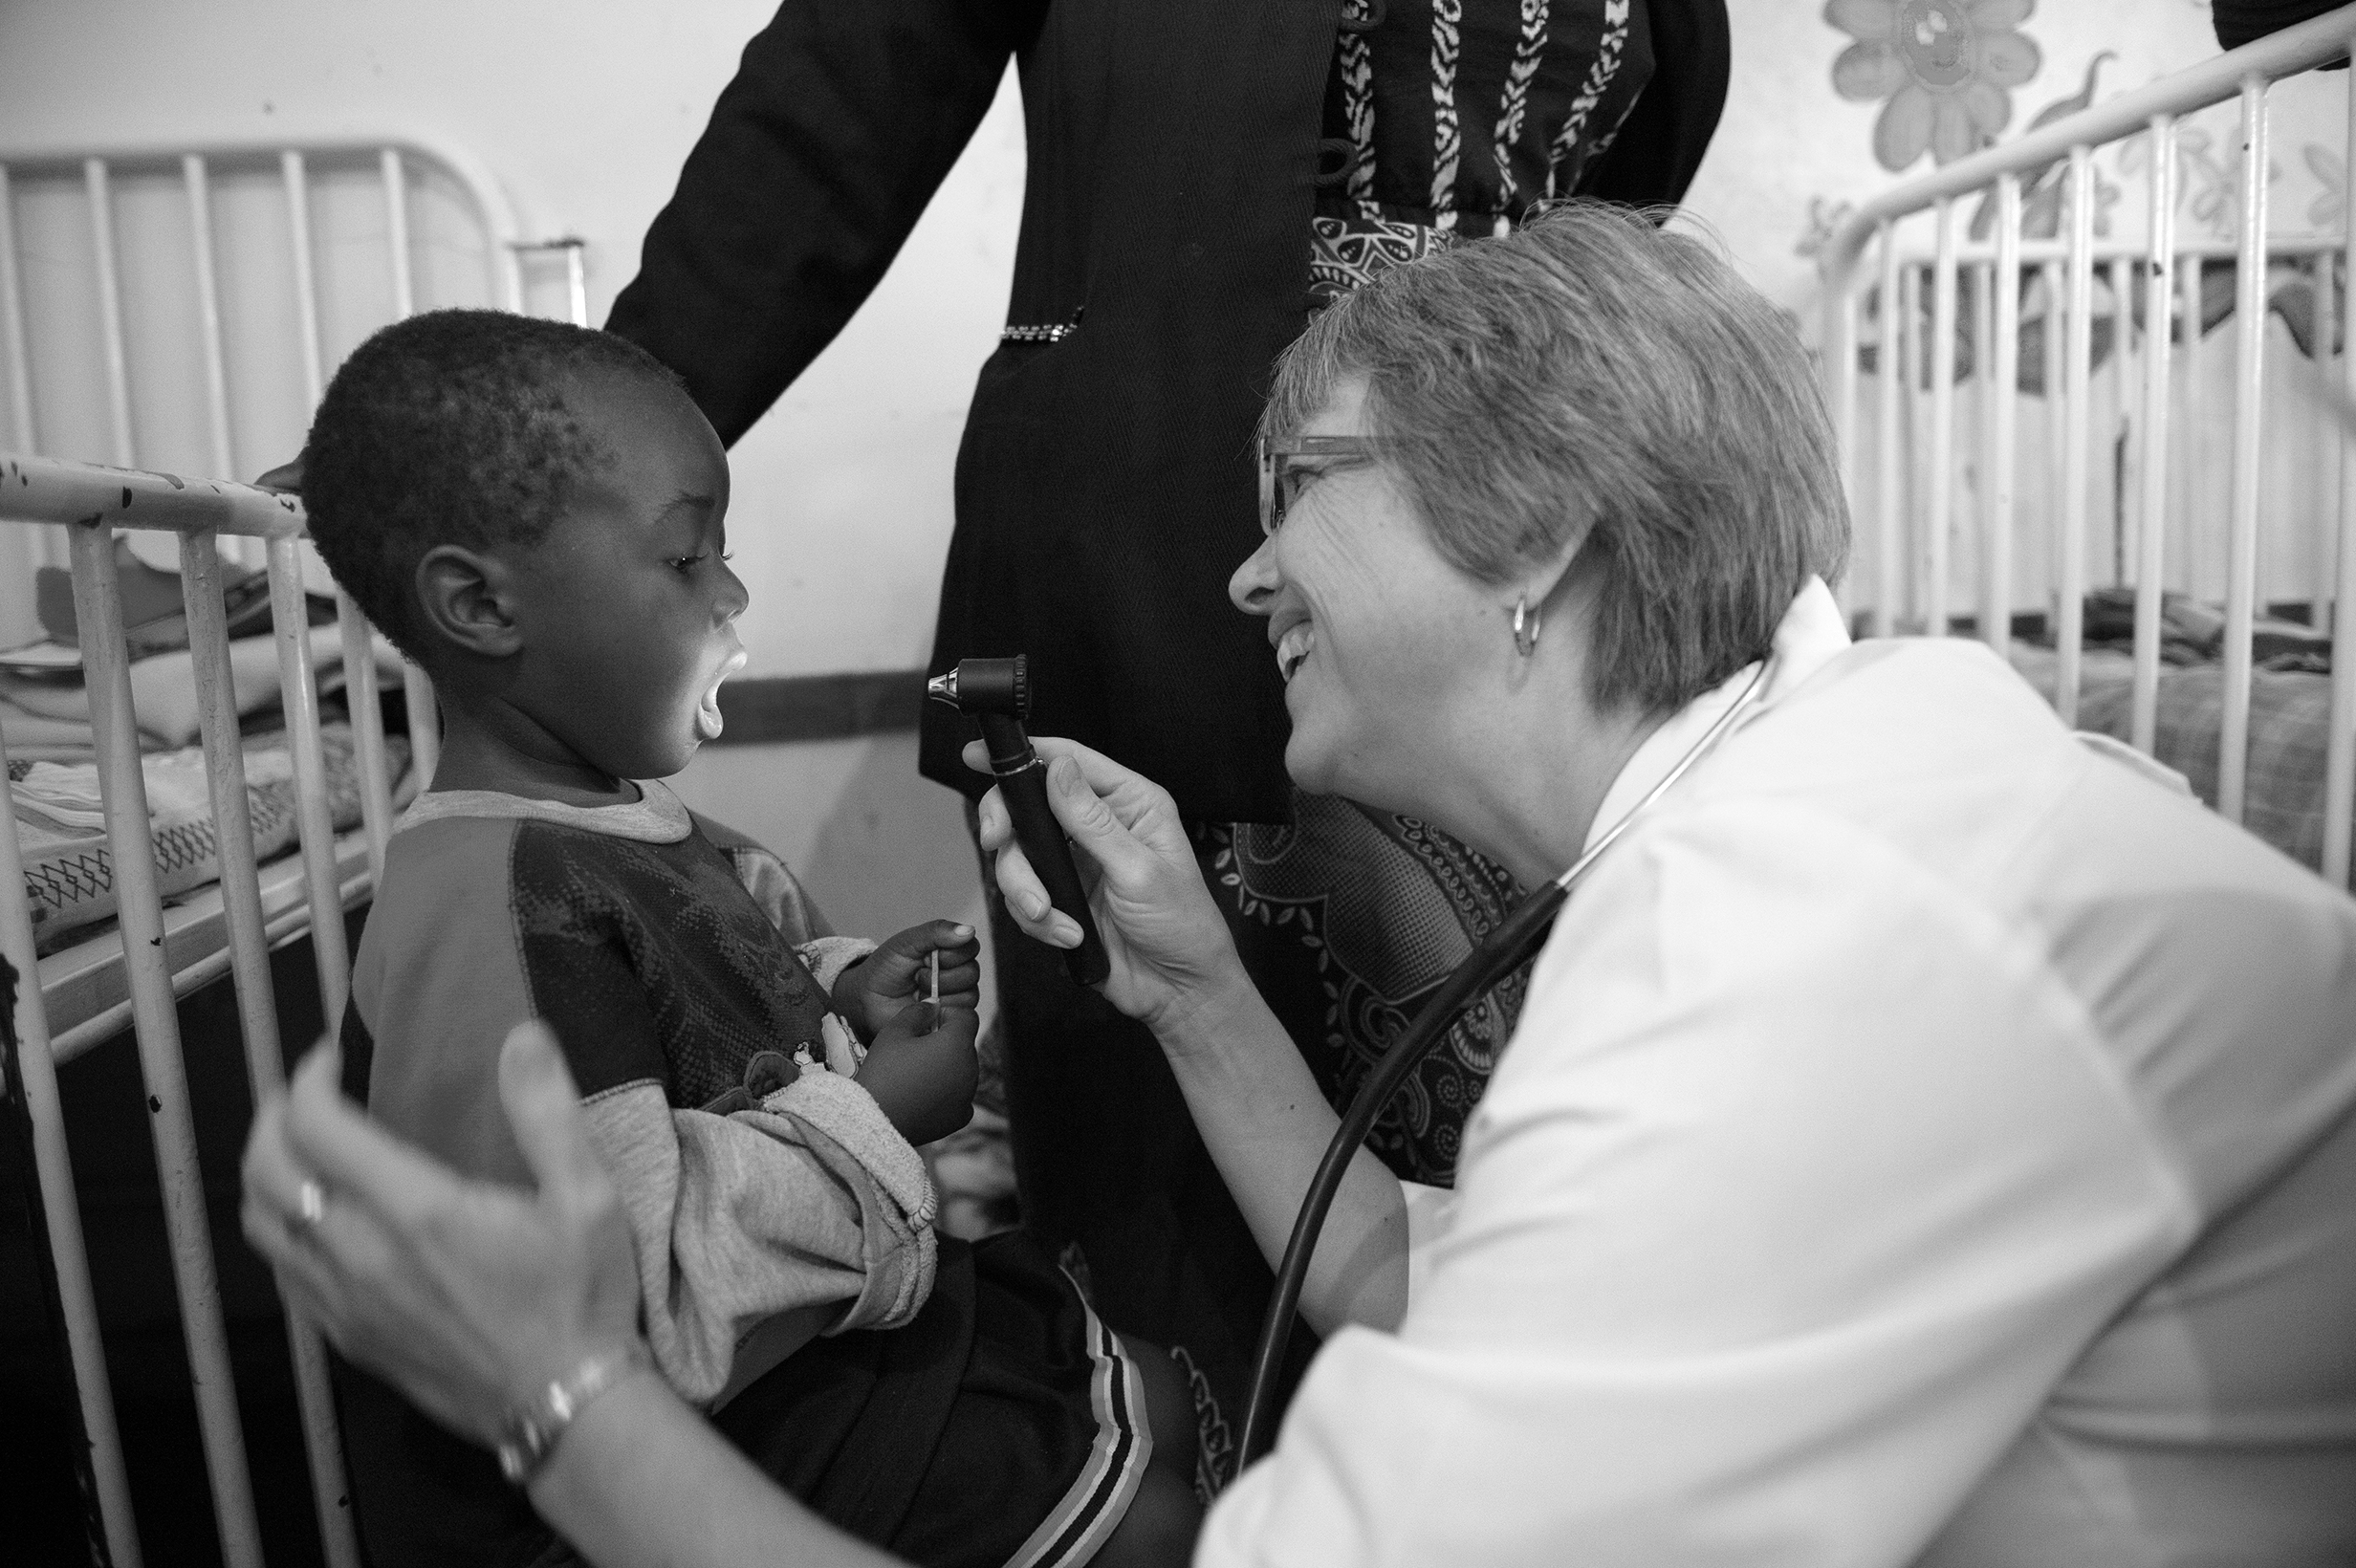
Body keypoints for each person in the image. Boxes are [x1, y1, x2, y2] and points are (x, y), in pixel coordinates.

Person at [250, 206, 2356, 1565]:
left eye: (1296, 495)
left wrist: (557, 1395)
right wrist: (1183, 985)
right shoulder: (1808, 819)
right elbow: (1423, 1288)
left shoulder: (1797, 940)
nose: (1246, 570)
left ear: (1530, 533)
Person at [600, 0, 1734, 1462]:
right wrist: (559, 462)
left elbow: (1633, 168)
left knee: (1557, 1156)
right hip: (1150, 527)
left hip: (1547, 550)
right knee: (1168, 1190)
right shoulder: (1257, 561)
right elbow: (836, 105)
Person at [296, 309, 1200, 1568]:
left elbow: (740, 990)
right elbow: (617, 1300)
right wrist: (879, 1113)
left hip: (798, 1348)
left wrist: (857, 991)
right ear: (477, 605)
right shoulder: (489, 912)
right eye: (682, 561)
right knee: (1148, 1523)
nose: (733, 594)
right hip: (651, 1457)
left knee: (1158, 1391)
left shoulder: (640, 820)